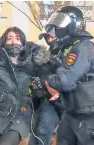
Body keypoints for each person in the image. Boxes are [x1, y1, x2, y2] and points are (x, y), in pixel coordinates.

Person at [32, 6, 94, 145]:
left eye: (59, 25)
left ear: (74, 25)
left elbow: (65, 80)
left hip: (88, 116)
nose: (56, 31)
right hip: (72, 112)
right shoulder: (67, 49)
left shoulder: (82, 47)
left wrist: (45, 81)